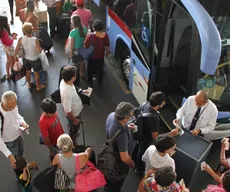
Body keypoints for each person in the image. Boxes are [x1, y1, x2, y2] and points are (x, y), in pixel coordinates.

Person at [135, 92, 180, 174]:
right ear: (160, 104)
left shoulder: (146, 104)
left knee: (138, 148)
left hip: (139, 133)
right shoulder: (154, 118)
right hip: (145, 138)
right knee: (142, 151)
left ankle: (135, 162)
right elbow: (155, 137)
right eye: (163, 101)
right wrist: (171, 133)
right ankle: (139, 168)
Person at [105, 102, 135, 192]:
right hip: (117, 163)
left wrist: (126, 127)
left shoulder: (111, 115)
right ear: (126, 119)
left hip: (109, 155)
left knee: (109, 180)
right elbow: (124, 158)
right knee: (116, 185)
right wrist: (132, 163)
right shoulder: (122, 134)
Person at [0, 91, 29, 169]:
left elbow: (17, 115)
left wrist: (23, 122)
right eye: (10, 107)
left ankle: (23, 169)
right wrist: (8, 154)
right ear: (3, 102)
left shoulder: (13, 106)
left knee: (20, 156)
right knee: (16, 163)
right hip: (10, 143)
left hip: (19, 136)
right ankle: (20, 178)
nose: (12, 108)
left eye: (14, 105)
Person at [14, 22, 45, 91]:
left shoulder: (21, 39)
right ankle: (38, 86)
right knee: (36, 73)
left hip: (26, 59)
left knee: (28, 72)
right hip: (35, 59)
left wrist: (15, 57)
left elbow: (16, 49)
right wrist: (41, 49)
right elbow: (38, 51)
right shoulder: (35, 40)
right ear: (32, 30)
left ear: (24, 31)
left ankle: (29, 85)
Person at [60, 66, 83, 146]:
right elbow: (67, 110)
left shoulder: (64, 81)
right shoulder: (67, 92)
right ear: (73, 77)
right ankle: (72, 139)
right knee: (74, 128)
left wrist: (82, 91)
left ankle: (71, 127)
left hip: (75, 111)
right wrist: (74, 120)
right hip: (74, 114)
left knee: (72, 125)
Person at [84, 19, 110, 87]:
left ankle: (90, 81)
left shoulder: (90, 36)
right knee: (100, 69)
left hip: (91, 56)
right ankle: (99, 81)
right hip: (100, 56)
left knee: (90, 69)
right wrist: (107, 53)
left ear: (94, 28)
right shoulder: (105, 35)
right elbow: (107, 46)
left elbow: (85, 45)